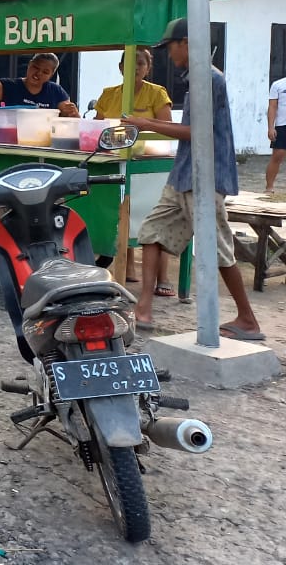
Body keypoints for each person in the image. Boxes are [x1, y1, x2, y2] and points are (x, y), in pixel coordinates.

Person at [123, 18, 264, 340]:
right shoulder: (197, 78)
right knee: (151, 232)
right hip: (183, 174)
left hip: (204, 176)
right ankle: (143, 309)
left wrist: (144, 123)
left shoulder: (208, 80)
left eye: (171, 47)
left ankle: (247, 319)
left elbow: (195, 132)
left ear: (185, 43)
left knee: (217, 249)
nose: (170, 54)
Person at [92, 48, 177, 293]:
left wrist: (144, 128)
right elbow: (97, 128)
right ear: (120, 68)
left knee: (153, 218)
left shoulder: (157, 93)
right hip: (114, 160)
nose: (135, 68)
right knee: (120, 213)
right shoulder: (109, 94)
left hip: (147, 162)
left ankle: (163, 278)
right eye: (129, 63)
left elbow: (166, 128)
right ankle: (127, 269)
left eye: (140, 64)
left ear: (148, 68)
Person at [0, 53, 79, 116]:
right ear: (29, 65)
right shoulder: (12, 86)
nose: (39, 73)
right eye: (36, 67)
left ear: (51, 75)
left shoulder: (56, 91)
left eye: (45, 72)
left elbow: (70, 116)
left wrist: (72, 112)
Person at [267, 73, 286, 194]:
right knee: (278, 155)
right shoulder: (278, 85)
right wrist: (270, 127)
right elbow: (272, 106)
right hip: (282, 125)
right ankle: (269, 187)